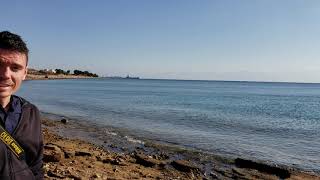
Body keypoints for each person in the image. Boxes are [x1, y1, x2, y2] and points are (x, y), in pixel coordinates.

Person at [0, 31, 43, 179]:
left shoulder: (31, 112)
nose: (5, 74)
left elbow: (36, 164)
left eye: (15, 68)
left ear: (24, 73)